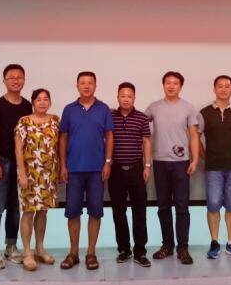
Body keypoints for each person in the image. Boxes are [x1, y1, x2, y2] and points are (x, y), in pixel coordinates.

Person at [59, 71, 114, 270]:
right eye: (83, 83)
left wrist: (107, 162)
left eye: (90, 83)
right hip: (74, 169)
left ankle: (91, 253)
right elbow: (63, 138)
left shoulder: (103, 109)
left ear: (95, 86)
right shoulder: (69, 110)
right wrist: (63, 165)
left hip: (97, 170)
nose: (87, 86)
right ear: (77, 86)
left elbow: (109, 136)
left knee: (95, 212)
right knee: (73, 212)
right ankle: (73, 253)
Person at [146, 71, 200, 265]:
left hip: (181, 163)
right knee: (163, 206)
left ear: (180, 86)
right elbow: (139, 125)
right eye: (168, 83)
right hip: (160, 162)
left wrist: (194, 160)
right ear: (163, 85)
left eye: (175, 83)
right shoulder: (153, 107)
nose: (171, 86)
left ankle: (183, 248)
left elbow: (194, 135)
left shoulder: (188, 108)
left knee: (182, 207)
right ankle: (167, 245)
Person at [0, 64, 33, 269]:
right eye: (11, 77)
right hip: (2, 161)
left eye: (19, 77)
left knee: (15, 207)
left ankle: (11, 247)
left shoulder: (27, 105)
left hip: (21, 162)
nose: (15, 80)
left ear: (24, 80)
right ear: (4, 80)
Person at [198, 75, 231, 260]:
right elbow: (195, 137)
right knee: (213, 205)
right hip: (213, 168)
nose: (224, 89)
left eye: (227, 86)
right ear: (214, 89)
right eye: (220, 86)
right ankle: (214, 242)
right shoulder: (204, 113)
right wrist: (205, 156)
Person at [14, 89, 61, 271]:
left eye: (45, 99)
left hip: (49, 174)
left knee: (43, 212)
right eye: (38, 99)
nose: (42, 102)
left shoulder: (55, 120)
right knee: (28, 212)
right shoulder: (24, 121)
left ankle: (39, 249)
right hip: (29, 174)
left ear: (50, 102)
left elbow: (60, 146)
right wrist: (22, 173)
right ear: (33, 102)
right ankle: (27, 252)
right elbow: (18, 149)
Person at [108, 82, 153, 267]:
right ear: (118, 97)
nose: (126, 99)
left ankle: (140, 251)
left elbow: (146, 141)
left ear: (134, 98)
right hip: (115, 171)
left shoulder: (141, 117)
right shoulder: (110, 116)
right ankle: (124, 249)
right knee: (118, 212)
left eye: (129, 96)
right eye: (122, 95)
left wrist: (147, 166)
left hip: (136, 169)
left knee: (139, 212)